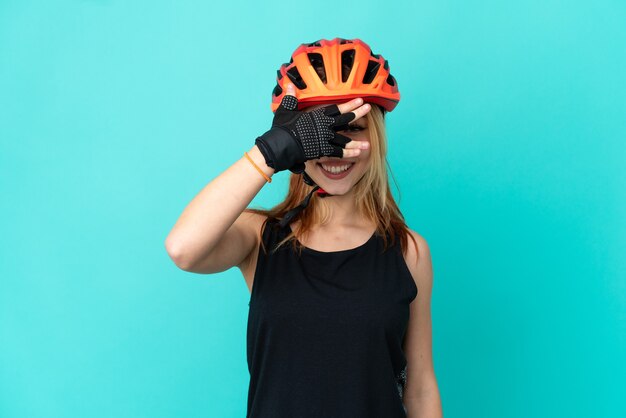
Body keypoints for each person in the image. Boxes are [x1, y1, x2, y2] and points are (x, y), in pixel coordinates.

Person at [165, 37, 442, 417]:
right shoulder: (261, 237)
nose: (334, 150)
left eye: (353, 128)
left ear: (376, 136)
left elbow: (421, 387)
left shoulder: (408, 251)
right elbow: (183, 248)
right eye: (319, 133)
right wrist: (270, 152)